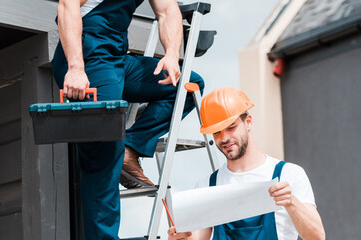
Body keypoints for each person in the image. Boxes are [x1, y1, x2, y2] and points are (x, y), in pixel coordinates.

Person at [52, 0, 205, 239]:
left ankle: (131, 146)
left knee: (187, 85)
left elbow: (167, 11)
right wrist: (75, 67)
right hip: (87, 59)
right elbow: (67, 5)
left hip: (116, 59)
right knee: (103, 153)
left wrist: (172, 55)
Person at [167, 87, 325, 240]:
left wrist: (291, 202)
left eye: (231, 127)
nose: (224, 138)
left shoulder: (288, 174)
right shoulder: (207, 186)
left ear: (248, 122)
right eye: (216, 132)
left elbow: (317, 236)